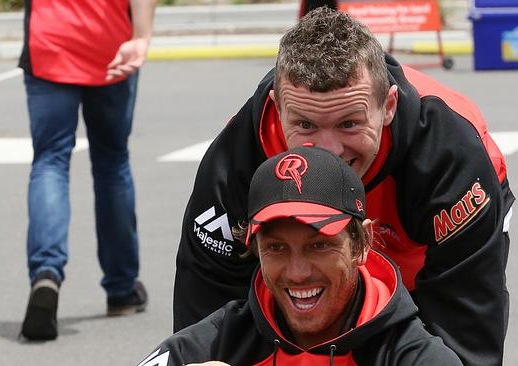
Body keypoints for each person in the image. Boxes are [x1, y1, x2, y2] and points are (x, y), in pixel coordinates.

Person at [173, 7, 514, 365]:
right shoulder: (237, 159)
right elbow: (206, 317)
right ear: (278, 109)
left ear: (388, 107)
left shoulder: (449, 155)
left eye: (349, 124)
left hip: (420, 240)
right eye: (305, 125)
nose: (329, 150)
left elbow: (466, 327)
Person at [140, 146, 461, 366]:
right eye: (276, 248)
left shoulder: (414, 355)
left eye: (319, 245)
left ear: (362, 243)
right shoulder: (219, 340)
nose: (296, 272)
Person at [19, 0, 157, 340]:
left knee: (50, 161)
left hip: (49, 40)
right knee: (112, 164)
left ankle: (46, 273)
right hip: (110, 43)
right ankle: (122, 288)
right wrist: (142, 36)